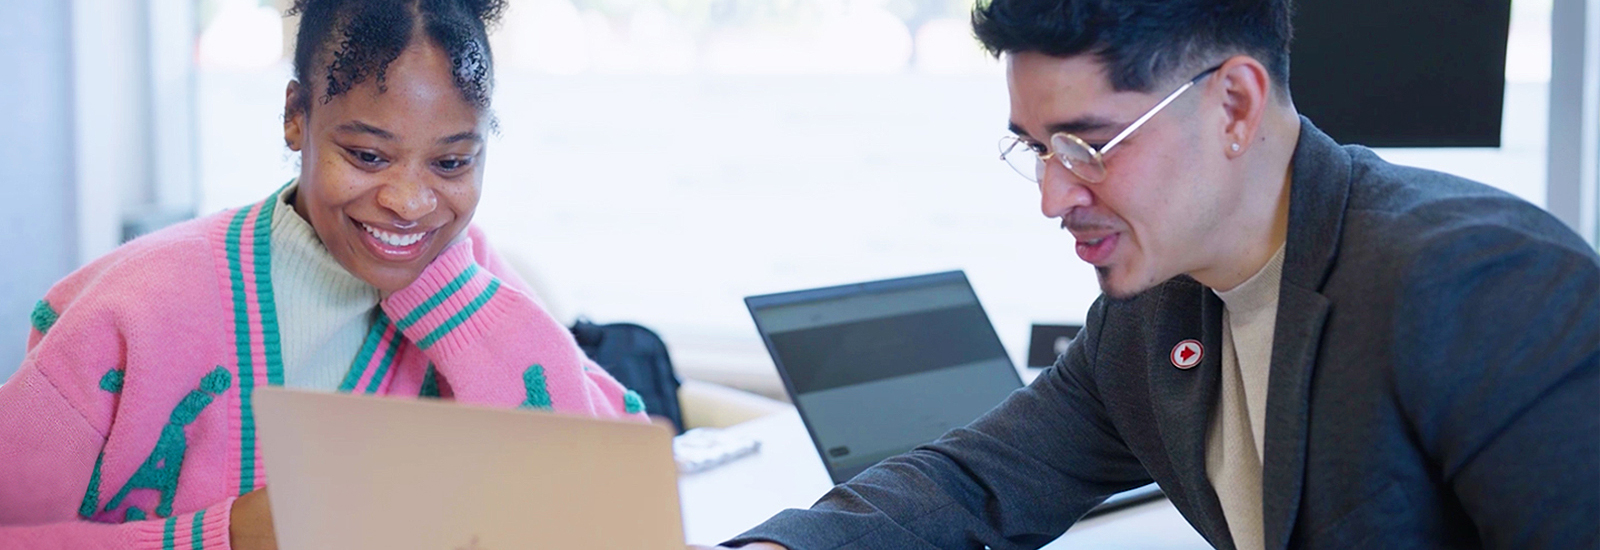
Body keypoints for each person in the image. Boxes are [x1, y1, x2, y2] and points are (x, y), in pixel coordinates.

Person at [705, 0, 1600, 548]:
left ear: (1235, 105)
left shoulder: (1477, 284)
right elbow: (974, 482)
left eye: (1089, 146)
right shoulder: (1153, 315)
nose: (1054, 195)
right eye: (1035, 149)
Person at [0, 0, 648, 548]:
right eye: (367, 155)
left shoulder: (469, 281)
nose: (410, 200)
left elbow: (617, 509)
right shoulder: (134, 309)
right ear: (296, 117)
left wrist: (442, 282)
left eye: (452, 164)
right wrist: (229, 534)